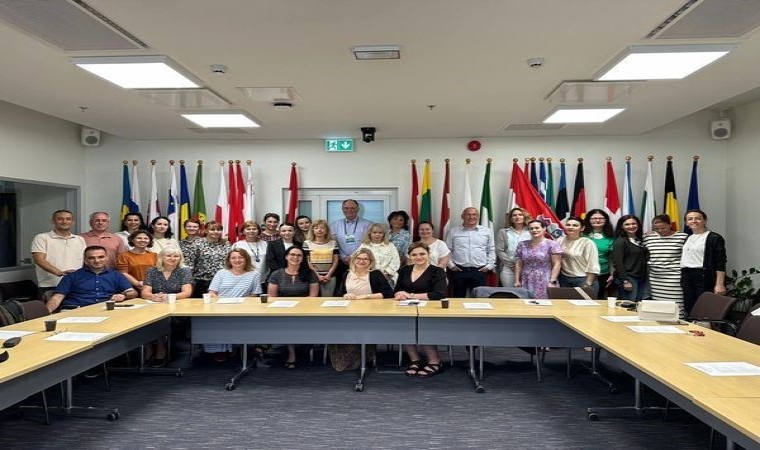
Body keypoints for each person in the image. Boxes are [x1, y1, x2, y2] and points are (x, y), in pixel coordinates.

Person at [330, 249, 393, 372]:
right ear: (353, 260)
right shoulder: (346, 274)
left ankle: (364, 358)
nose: (361, 261)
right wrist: (345, 295)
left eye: (365, 259)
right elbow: (338, 294)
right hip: (349, 312)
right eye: (358, 258)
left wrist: (366, 296)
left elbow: (389, 293)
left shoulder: (375, 274)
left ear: (370, 262)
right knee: (338, 328)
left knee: (360, 330)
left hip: (370, 313)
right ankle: (345, 361)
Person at [394, 242, 448, 377]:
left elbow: (439, 294)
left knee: (424, 329)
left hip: (429, 309)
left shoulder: (437, 271)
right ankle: (415, 360)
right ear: (410, 256)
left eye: (422, 254)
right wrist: (399, 294)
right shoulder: (405, 270)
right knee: (405, 329)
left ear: (428, 254)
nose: (418, 257)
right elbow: (397, 290)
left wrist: (411, 295)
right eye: (414, 255)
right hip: (406, 308)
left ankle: (435, 362)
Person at [204, 249, 262, 362]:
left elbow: (255, 295)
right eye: (233, 258)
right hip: (220, 307)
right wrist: (219, 301)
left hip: (242, 308)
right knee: (213, 321)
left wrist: (241, 303)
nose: (237, 260)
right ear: (229, 260)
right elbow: (212, 292)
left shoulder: (254, 274)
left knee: (235, 321)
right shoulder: (221, 273)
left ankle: (233, 347)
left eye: (240, 257)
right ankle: (219, 350)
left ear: (246, 259)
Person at [267, 246, 319, 368]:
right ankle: (292, 352)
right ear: (286, 256)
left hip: (305, 309)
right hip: (282, 310)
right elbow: (272, 297)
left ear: (303, 258)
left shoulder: (310, 273)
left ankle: (298, 349)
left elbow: (313, 296)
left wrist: (298, 306)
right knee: (287, 323)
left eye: (299, 255)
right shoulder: (277, 274)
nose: (295, 257)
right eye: (292, 254)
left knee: (292, 323)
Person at [141, 247, 193, 367]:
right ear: (161, 258)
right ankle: (148, 347)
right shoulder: (152, 271)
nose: (172, 259)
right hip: (155, 305)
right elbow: (145, 292)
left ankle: (160, 348)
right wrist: (153, 296)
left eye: (176, 256)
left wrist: (169, 297)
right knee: (143, 319)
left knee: (160, 320)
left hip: (176, 307)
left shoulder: (184, 271)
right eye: (168, 256)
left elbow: (187, 292)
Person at [46, 246, 137, 312]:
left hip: (104, 310)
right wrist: (45, 314)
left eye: (101, 257)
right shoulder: (72, 276)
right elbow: (57, 298)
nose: (97, 261)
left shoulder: (116, 275)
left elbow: (133, 293)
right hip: (75, 310)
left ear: (107, 258)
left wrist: (124, 296)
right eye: (91, 258)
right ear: (85, 260)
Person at [31, 209, 87, 299]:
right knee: (51, 308)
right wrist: (58, 272)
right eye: (60, 219)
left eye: (68, 219)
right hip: (51, 285)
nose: (64, 221)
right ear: (53, 221)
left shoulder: (80, 239)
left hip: (75, 284)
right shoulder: (42, 238)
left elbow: (86, 260)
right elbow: (39, 260)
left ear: (72, 222)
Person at [680, 209, 727, 316]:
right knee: (689, 307)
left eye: (698, 218)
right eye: (690, 219)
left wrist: (719, 284)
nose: (694, 221)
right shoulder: (688, 237)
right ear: (686, 223)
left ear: (705, 221)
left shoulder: (714, 238)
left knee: (704, 308)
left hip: (703, 276)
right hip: (687, 275)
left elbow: (720, 262)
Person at [445, 207, 495, 297]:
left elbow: (491, 249)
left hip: (479, 270)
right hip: (459, 270)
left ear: (478, 216)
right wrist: (451, 266)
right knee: (458, 298)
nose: (471, 217)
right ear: (462, 216)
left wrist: (489, 266)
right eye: (468, 214)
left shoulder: (486, 231)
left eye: (474, 214)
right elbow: (447, 250)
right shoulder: (453, 231)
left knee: (480, 299)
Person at [644, 215, 688, 314]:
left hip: (675, 279)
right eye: (656, 228)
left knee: (676, 307)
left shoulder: (682, 237)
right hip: (656, 279)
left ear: (670, 225)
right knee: (659, 308)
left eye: (663, 228)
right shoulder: (648, 238)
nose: (660, 231)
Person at [514, 220, 563, 299]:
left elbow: (557, 264)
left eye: (537, 228)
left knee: (544, 303)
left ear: (544, 229)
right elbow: (519, 263)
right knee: (526, 302)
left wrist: (552, 281)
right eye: (531, 228)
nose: (534, 230)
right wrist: (517, 280)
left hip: (545, 279)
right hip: (526, 279)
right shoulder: (522, 244)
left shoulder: (552, 244)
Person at [611, 215, 650, 301]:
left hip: (641, 277)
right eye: (627, 224)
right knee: (628, 306)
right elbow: (618, 263)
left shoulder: (639, 240)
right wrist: (625, 280)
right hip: (629, 278)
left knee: (637, 305)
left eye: (633, 223)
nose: (631, 226)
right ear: (622, 227)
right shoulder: (620, 241)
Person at [556, 216, 599, 292]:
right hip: (564, 278)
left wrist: (588, 283)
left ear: (582, 228)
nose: (570, 227)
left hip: (583, 279)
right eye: (568, 225)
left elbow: (593, 265)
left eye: (575, 225)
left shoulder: (587, 243)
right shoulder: (559, 240)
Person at [189, 221, 231, 297]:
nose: (216, 232)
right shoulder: (197, 243)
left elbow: (230, 262)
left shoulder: (226, 244)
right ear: (206, 230)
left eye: (219, 230)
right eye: (212, 229)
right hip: (202, 281)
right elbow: (190, 263)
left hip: (222, 281)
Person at [495, 207, 531, 288]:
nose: (517, 217)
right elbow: (499, 251)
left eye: (520, 215)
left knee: (526, 293)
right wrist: (512, 266)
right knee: (510, 293)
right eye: (514, 215)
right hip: (509, 269)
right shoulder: (503, 232)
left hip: (527, 268)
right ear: (511, 219)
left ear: (524, 217)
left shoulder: (531, 231)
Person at [583, 209, 615, 300]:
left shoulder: (610, 236)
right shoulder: (582, 234)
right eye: (594, 218)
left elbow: (612, 258)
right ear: (588, 220)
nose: (597, 220)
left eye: (601, 218)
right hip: (583, 272)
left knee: (598, 299)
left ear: (606, 220)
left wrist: (612, 274)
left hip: (602, 272)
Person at [302, 219, 340, 297]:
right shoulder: (307, 243)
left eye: (322, 228)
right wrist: (317, 275)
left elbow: (336, 261)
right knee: (313, 299)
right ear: (312, 230)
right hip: (313, 276)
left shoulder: (333, 243)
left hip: (329, 276)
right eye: (316, 228)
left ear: (326, 230)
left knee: (327, 299)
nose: (319, 230)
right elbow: (307, 261)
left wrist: (329, 274)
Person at [330, 199, 372, 265]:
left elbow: (369, 244)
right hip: (340, 261)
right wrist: (343, 257)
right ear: (342, 209)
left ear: (358, 209)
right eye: (346, 208)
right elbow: (333, 243)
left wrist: (352, 256)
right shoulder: (334, 225)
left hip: (361, 261)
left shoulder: (368, 225)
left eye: (352, 208)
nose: (349, 210)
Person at [357, 223, 400, 287]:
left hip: (389, 277)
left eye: (380, 233)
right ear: (370, 233)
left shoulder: (390, 245)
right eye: (374, 232)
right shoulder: (364, 246)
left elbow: (396, 261)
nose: (377, 235)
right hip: (369, 277)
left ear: (384, 234)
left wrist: (386, 273)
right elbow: (357, 260)